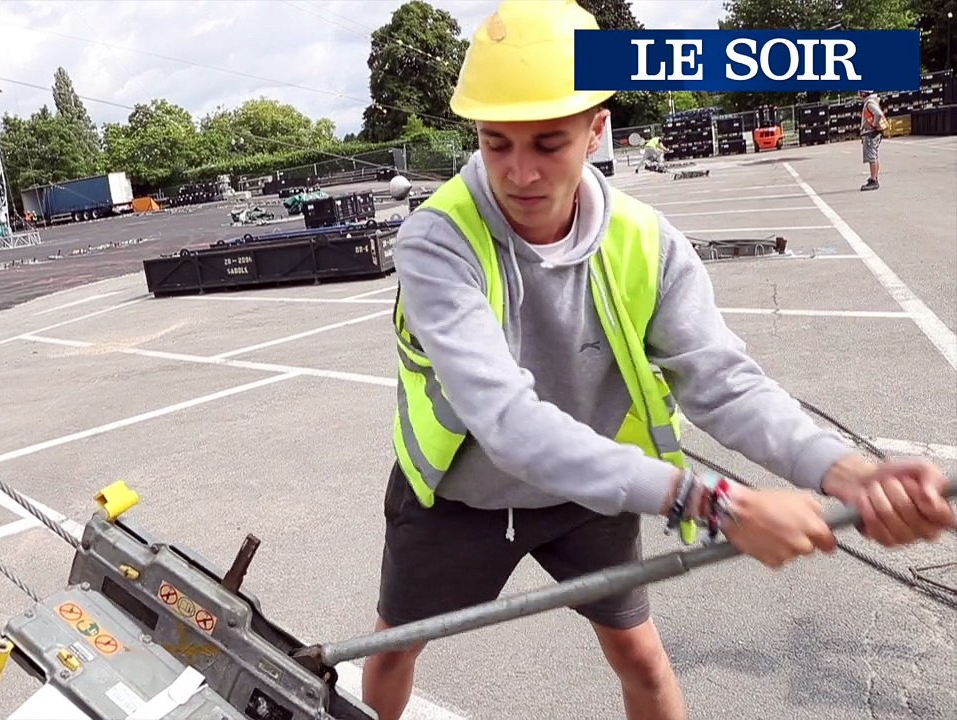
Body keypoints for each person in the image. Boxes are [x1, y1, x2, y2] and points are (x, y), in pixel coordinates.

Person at [362, 3, 955, 720]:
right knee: (394, 649)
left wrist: (842, 470)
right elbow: (507, 422)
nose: (518, 173)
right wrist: (709, 500)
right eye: (496, 143)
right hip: (463, 496)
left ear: (596, 130)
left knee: (640, 657)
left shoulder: (646, 239)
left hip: (592, 491)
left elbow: (723, 383)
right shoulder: (437, 241)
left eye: (548, 144)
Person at [858, 90, 886, 191]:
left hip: (870, 133)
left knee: (871, 156)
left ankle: (874, 180)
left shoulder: (869, 103)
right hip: (871, 133)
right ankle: (874, 177)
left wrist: (873, 125)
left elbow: (878, 114)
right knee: (873, 155)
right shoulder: (871, 101)